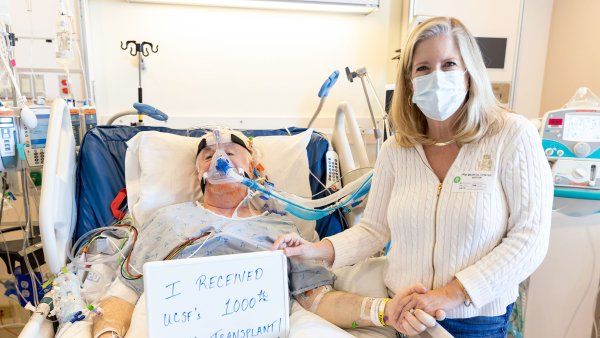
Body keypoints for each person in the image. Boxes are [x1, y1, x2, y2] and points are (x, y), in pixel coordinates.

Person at [272, 17, 553, 338]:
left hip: (474, 319)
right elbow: (373, 230)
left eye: (449, 64)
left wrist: (451, 293)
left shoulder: (511, 135)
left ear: (470, 72)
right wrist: (312, 250)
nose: (436, 76)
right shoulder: (398, 149)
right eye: (423, 68)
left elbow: (530, 238)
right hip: (405, 315)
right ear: (409, 80)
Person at [91, 129, 440, 338]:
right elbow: (124, 293)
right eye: (208, 155)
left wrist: (384, 310)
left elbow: (316, 300)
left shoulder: (280, 227)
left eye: (230, 152)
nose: (219, 160)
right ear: (198, 171)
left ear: (253, 167)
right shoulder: (169, 220)